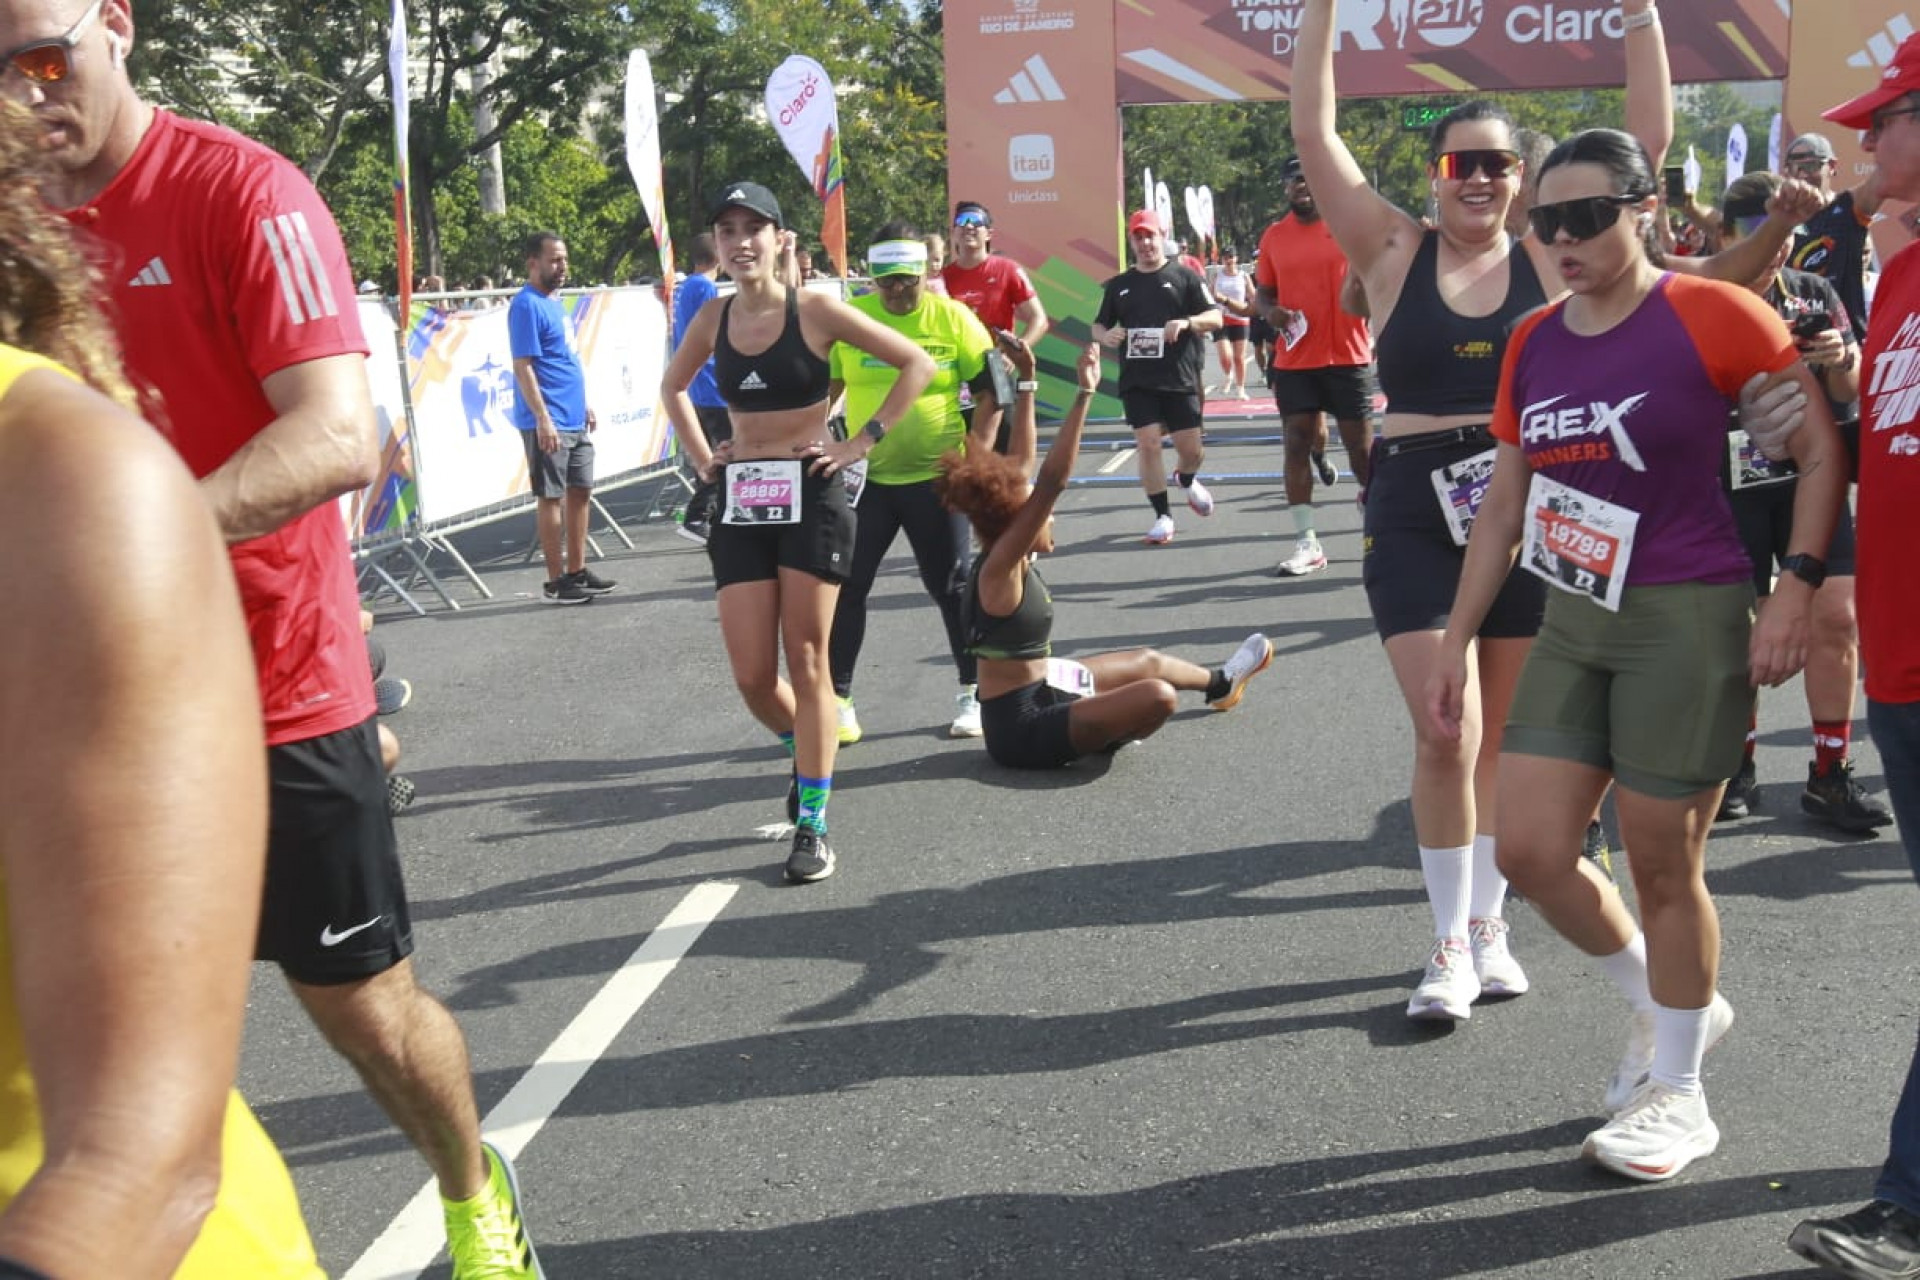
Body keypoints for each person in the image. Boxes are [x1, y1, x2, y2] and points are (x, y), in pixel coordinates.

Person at [10, 2, 544, 1270]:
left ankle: (476, 1196)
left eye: (42, 58)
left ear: (117, 27)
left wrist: (130, 558)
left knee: (359, 1007)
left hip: (276, 689)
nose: (24, 97)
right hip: (71, 701)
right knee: (78, 1047)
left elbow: (336, 436)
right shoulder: (14, 233)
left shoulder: (244, 192)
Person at [1427, 128, 1844, 1182]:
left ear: (1642, 207)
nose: (1562, 239)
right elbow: (1501, 508)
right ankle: (1674, 1015)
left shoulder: (1712, 309)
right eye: (1545, 223)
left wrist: (1793, 586)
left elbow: (1817, 448)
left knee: (1663, 857)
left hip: (1690, 609)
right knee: (1525, 849)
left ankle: (1680, 1092)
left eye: (1586, 217)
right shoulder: (1533, 339)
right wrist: (1456, 638)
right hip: (1573, 613)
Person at [1292, 0, 1701, 1022]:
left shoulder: (1551, 252)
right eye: (1459, 163)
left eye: (1498, 164)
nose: (1478, 178)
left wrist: (1642, 18)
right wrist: (1321, 11)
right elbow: (1314, 129)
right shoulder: (1389, 249)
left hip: (1536, 499)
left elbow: (1643, 147)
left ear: (1524, 180)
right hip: (1416, 501)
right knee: (1445, 726)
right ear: (1433, 175)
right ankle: (1443, 943)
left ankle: (1488, 926)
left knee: (1509, 737)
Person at [0, 99, 321, 1279]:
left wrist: (154, 570)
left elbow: (141, 1155)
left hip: (283, 662)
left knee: (365, 999)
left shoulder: (60, 479)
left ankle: (465, 1174)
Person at [662, 182, 933, 884]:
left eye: (755, 228)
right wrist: (704, 461)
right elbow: (673, 389)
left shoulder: (812, 309)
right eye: (727, 230)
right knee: (753, 676)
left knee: (807, 660)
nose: (740, 241)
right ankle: (806, 750)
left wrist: (858, 442)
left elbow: (917, 363)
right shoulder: (713, 316)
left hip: (811, 495)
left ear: (782, 239)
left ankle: (812, 821)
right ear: (717, 245)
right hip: (742, 500)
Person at [1786, 45, 1920, 1277]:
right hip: (1904, 659)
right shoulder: (1899, 274)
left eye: (1883, 123)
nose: (1864, 149)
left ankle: (1909, 1203)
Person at [937, 339, 1273, 767]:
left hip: (1046, 683)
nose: (1053, 522)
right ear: (1016, 525)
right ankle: (1104, 734)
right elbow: (1052, 481)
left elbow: (1022, 461)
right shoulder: (1000, 568)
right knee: (1157, 697)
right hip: (1021, 727)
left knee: (1147, 661)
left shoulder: (1007, 548)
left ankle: (1220, 684)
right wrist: (1083, 394)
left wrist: (1028, 378)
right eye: (1045, 518)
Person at [1711, 172, 1891, 835]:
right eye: (1757, 233)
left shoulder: (1812, 292)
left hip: (1808, 481)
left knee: (1837, 616)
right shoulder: (1701, 298)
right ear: (1722, 237)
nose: (1775, 248)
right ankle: (1737, 762)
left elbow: (1851, 385)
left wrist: (1841, 354)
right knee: (1735, 626)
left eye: (1783, 234)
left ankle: (1829, 772)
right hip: (1723, 484)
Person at [829, 226, 1000, 742]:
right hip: (868, 482)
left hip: (936, 478)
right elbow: (828, 388)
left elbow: (993, 392)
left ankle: (973, 692)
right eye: (886, 284)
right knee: (847, 588)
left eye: (906, 281)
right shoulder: (853, 318)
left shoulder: (955, 318)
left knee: (952, 586)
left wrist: (978, 456)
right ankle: (839, 700)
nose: (897, 292)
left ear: (927, 272)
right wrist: (822, 437)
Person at [1253, 155, 1377, 577]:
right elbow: (1263, 294)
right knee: (1295, 443)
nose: (1300, 185)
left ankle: (1382, 529)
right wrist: (1270, 313)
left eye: (1308, 178)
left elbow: (1380, 280)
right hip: (1296, 358)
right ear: (1285, 188)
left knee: (1362, 452)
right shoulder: (1274, 237)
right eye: (1293, 180)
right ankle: (1307, 541)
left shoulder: (1349, 225)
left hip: (1348, 355)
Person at [1091, 210, 1223, 545]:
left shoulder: (1184, 277)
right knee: (1148, 444)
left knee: (1191, 450)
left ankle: (1186, 477)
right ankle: (1162, 516)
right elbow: (1099, 324)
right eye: (1139, 237)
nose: (1146, 243)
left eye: (1150, 236)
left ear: (1161, 236)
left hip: (1179, 376)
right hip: (1138, 379)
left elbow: (1215, 317)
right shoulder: (1120, 285)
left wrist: (1187, 324)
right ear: (1131, 241)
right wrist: (1105, 336)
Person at [510, 230, 615, 604]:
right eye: (555, 259)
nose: (562, 266)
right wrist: (542, 418)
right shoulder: (526, 305)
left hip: (573, 415)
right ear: (533, 262)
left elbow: (565, 358)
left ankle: (577, 570)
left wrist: (583, 402)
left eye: (564, 259)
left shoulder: (557, 302)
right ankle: (555, 582)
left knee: (581, 491)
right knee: (551, 497)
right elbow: (524, 366)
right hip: (549, 419)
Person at [941, 200, 1050, 450]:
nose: (969, 227)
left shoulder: (1007, 270)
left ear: (989, 234)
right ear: (953, 232)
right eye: (962, 222)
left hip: (994, 368)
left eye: (976, 222)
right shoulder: (942, 278)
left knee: (1005, 451)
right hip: (955, 373)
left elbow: (1039, 320)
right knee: (963, 452)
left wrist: (1015, 353)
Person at [1784, 131, 1886, 343]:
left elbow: (1885, 178)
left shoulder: (1849, 208)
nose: (1802, 174)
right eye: (1795, 166)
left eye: (1811, 165)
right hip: (1794, 342)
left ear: (1831, 166)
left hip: (1845, 341)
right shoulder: (1780, 220)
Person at [672, 232, 732, 544]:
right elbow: (716, 333)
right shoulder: (706, 288)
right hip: (710, 381)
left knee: (708, 451)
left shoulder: (685, 288)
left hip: (694, 383)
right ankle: (698, 515)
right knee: (725, 452)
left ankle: (711, 517)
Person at [1210, 245, 1255, 398]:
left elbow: (1252, 295)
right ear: (1222, 259)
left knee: (1239, 357)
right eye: (1226, 257)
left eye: (1231, 257)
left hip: (1240, 318)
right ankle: (1228, 373)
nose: (1229, 260)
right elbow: (1210, 296)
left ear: (1236, 259)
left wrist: (1254, 307)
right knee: (1225, 355)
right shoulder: (1217, 276)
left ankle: (1240, 388)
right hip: (1221, 319)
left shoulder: (1243, 276)